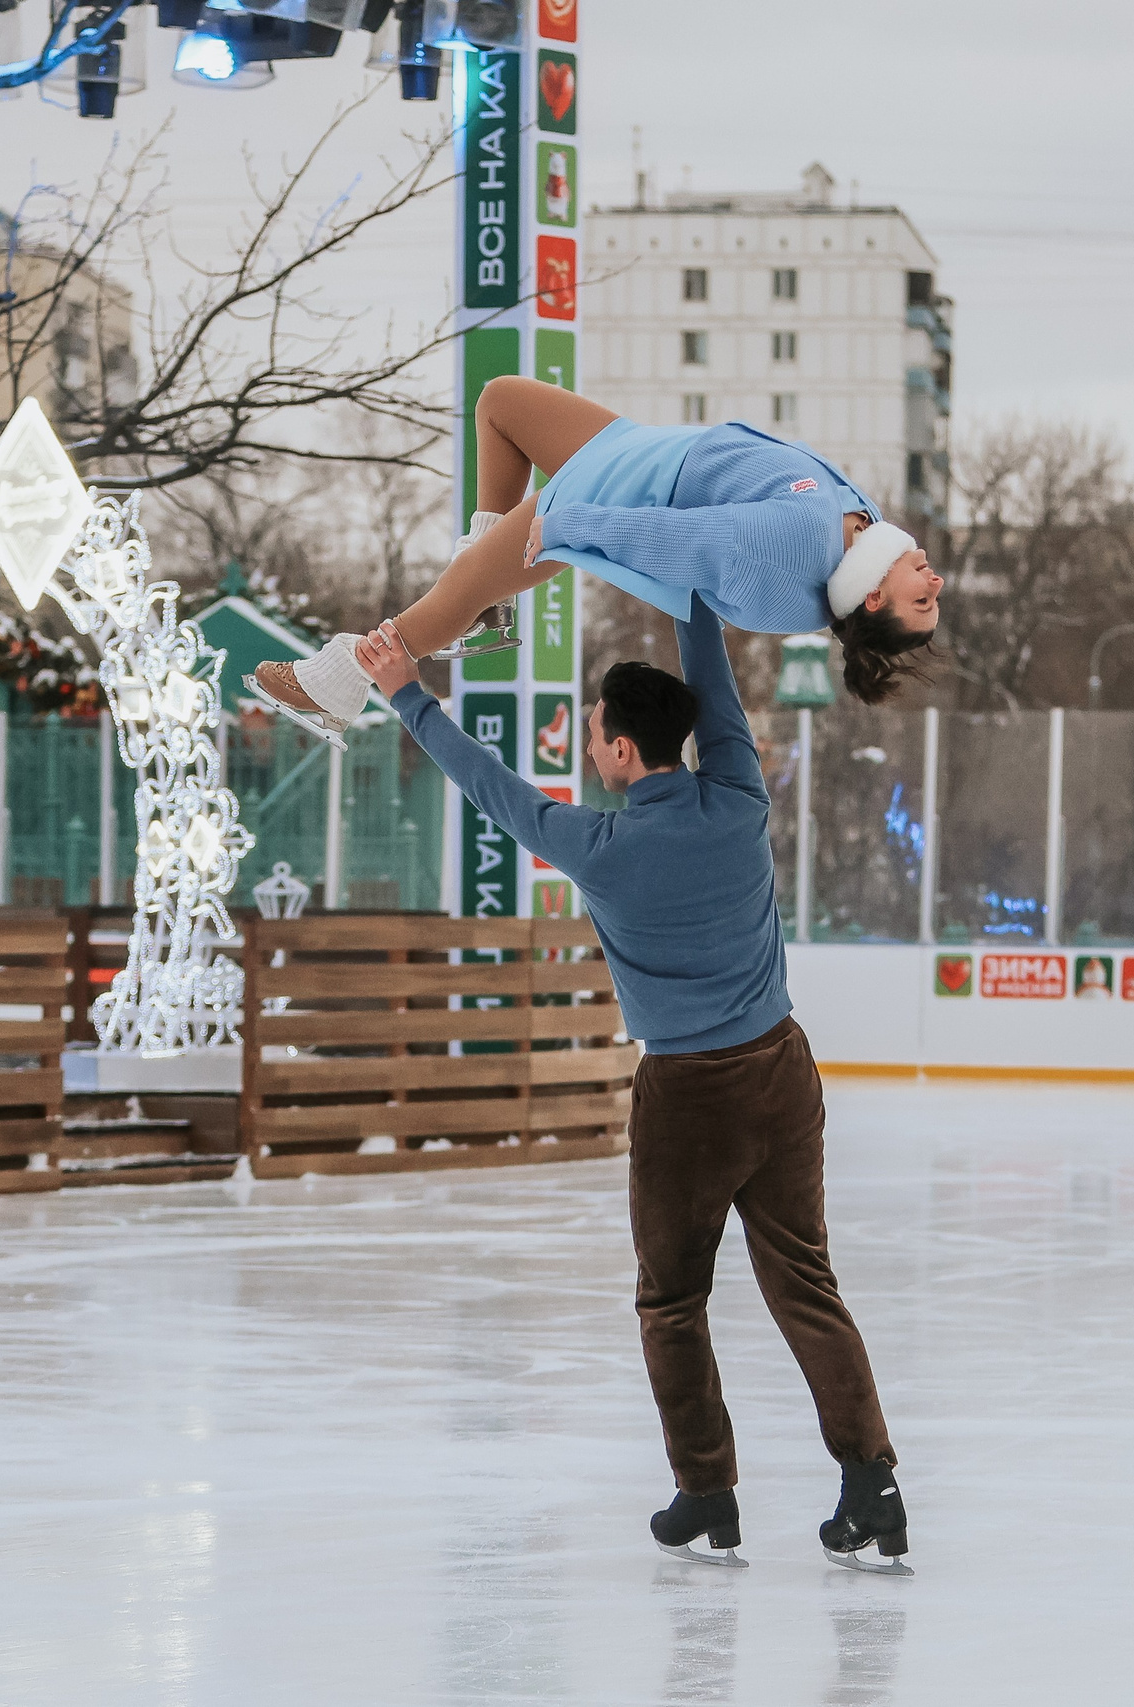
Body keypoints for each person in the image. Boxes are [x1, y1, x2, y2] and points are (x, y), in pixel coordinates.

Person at [348, 610, 912, 1577]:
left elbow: (491, 788)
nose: (591, 740)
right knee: (805, 1287)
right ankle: (874, 1485)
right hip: (782, 1072)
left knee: (672, 1301)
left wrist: (406, 691)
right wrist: (689, 585)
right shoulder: (738, 796)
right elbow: (718, 688)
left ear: (617, 746)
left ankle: (707, 1489)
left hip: (688, 1098)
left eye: (595, 726)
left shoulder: (598, 847)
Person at [251, 378, 942, 742]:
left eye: (923, 598)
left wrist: (573, 525)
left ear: (872, 599)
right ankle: (486, 597)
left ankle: (337, 680)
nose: (934, 580)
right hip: (641, 448)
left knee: (450, 595)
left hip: (625, 488)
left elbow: (682, 544)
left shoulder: (799, 550)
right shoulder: (867, 528)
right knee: (500, 405)